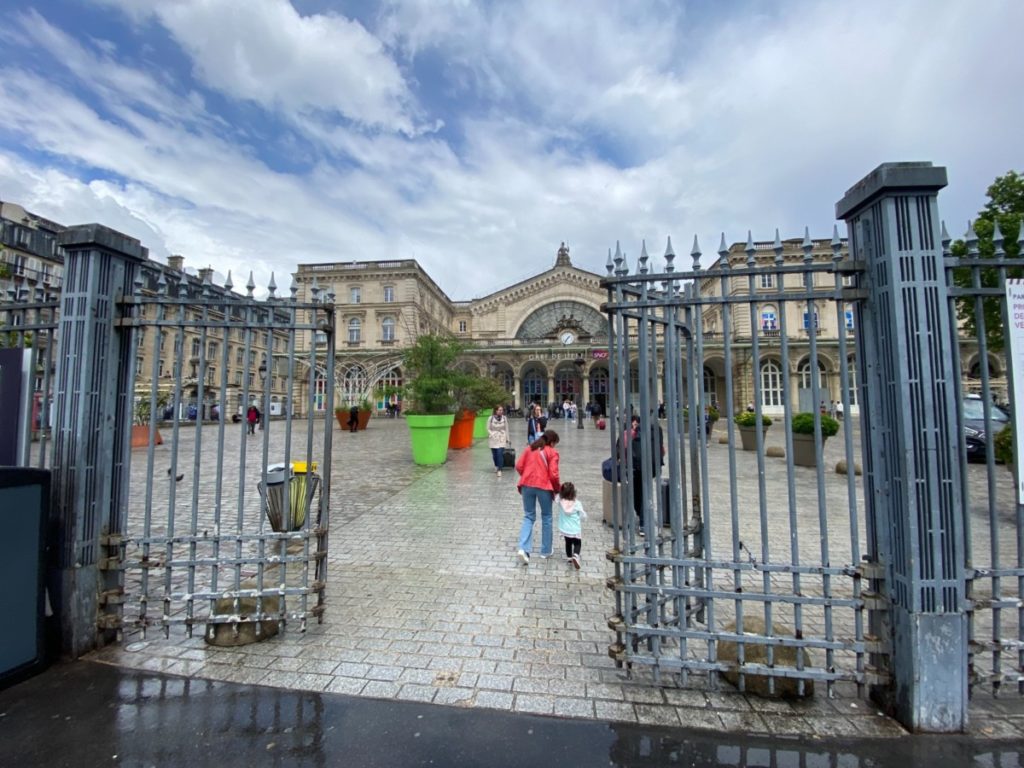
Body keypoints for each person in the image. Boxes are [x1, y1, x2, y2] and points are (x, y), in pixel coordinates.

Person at [514, 429, 561, 565]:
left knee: (528, 516)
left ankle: (523, 548)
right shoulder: (552, 452)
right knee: (546, 517)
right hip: (544, 487)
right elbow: (553, 474)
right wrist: (557, 489)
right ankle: (545, 551)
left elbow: (518, 465)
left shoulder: (530, 448)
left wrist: (526, 474)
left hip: (527, 485)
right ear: (551, 442)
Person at [618, 414, 664, 534]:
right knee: (644, 491)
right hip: (653, 466)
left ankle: (643, 521)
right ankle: (643, 518)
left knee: (638, 492)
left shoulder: (637, 431)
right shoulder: (658, 430)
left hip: (638, 466)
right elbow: (662, 449)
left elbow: (628, 447)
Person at [557, 481, 587, 569]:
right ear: (574, 492)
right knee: (577, 543)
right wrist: (584, 518)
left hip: (565, 529)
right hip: (575, 529)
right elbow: (583, 515)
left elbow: (556, 498)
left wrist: (560, 494)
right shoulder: (577, 503)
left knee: (568, 543)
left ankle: (569, 557)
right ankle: (576, 555)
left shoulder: (560, 501)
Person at [487, 405, 510, 477]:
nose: (501, 411)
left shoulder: (504, 418)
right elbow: (488, 428)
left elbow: (506, 428)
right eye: (499, 410)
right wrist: (492, 434)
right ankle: (496, 465)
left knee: (500, 453)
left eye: (502, 410)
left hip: (501, 437)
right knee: (495, 455)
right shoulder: (490, 418)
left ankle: (499, 470)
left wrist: (508, 439)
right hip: (493, 438)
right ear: (496, 410)